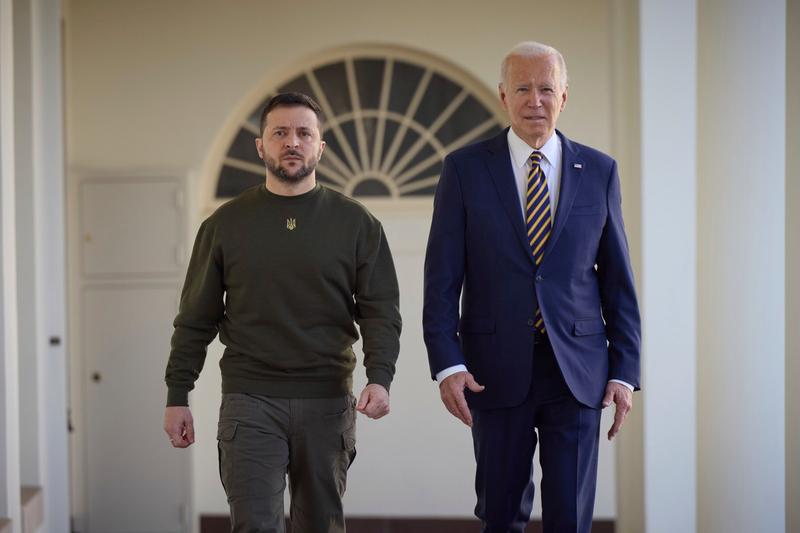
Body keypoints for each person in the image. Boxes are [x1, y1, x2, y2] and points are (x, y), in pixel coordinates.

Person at [423, 42, 641, 533]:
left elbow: (618, 281)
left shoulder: (600, 171)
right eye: (523, 88)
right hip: (493, 370)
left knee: (571, 518)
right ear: (503, 95)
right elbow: (441, 279)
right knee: (500, 515)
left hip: (580, 372)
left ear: (565, 96)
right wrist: (447, 364)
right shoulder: (463, 170)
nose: (535, 100)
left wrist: (625, 372)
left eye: (546, 88)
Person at [163, 92, 401, 533]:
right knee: (254, 525)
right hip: (249, 401)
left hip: (328, 400)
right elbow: (195, 317)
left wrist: (380, 377)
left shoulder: (357, 224)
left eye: (304, 133)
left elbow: (380, 311)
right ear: (261, 145)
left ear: (320, 147)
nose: (292, 142)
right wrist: (178, 393)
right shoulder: (224, 225)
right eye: (280, 133)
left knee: (321, 526)